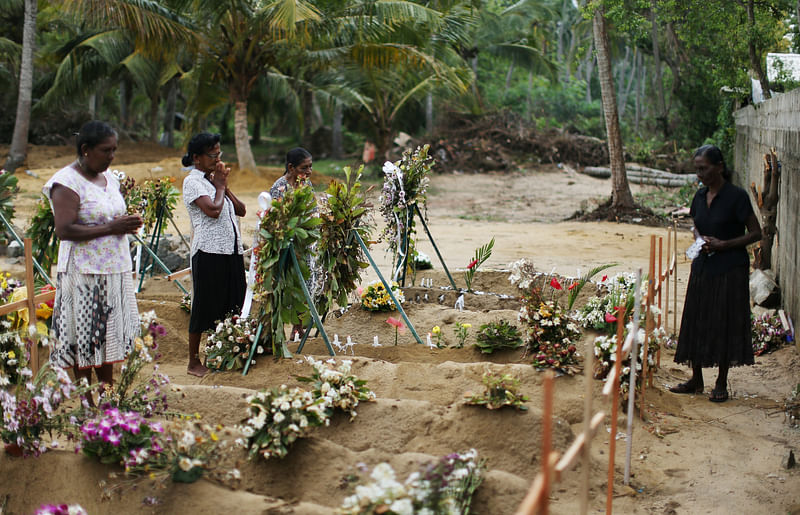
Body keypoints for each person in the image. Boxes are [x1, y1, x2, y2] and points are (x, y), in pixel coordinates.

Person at [44, 121, 143, 393]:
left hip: (113, 268)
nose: (111, 156)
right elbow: (64, 229)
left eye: (114, 150)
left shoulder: (109, 178)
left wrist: (125, 222)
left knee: (108, 334)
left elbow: (107, 214)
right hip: (83, 272)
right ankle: (86, 400)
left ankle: (107, 392)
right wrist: (112, 228)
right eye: (105, 150)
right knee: (85, 337)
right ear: (86, 149)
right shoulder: (66, 182)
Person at [669, 144, 762, 402]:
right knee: (697, 318)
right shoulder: (699, 197)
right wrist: (700, 239)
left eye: (704, 169)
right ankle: (695, 379)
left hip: (730, 268)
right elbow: (695, 226)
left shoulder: (737, 197)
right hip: (704, 265)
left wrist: (724, 244)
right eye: (697, 169)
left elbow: (756, 233)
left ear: (719, 167)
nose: (700, 174)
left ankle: (721, 382)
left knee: (724, 321)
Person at [182, 133, 246, 377]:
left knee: (233, 301)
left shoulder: (213, 180)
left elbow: (241, 210)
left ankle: (223, 352)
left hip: (231, 249)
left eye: (219, 154)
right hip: (208, 251)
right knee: (204, 305)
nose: (217, 158)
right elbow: (212, 210)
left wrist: (224, 187)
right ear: (197, 158)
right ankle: (193, 361)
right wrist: (219, 186)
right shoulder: (193, 182)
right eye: (212, 154)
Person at [269, 147, 323, 339]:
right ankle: (290, 329)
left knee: (307, 284)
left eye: (310, 167)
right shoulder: (279, 188)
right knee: (291, 286)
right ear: (291, 168)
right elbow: (277, 220)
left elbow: (313, 208)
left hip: (307, 245)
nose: (309, 171)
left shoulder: (306, 184)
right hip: (289, 247)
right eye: (304, 167)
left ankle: (299, 328)